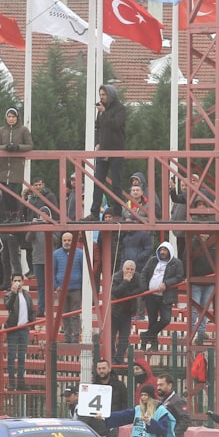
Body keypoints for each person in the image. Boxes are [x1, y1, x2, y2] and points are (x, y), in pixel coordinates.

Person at [105, 383, 173, 437]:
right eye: (141, 395)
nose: (143, 397)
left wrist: (150, 422)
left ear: (151, 397)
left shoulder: (161, 410)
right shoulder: (138, 409)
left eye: (146, 395)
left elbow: (163, 429)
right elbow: (123, 416)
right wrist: (105, 416)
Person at [140, 242, 185, 351]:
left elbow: (180, 277)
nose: (162, 252)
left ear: (169, 251)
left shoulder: (176, 263)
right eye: (161, 250)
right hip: (151, 296)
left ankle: (146, 335)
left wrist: (166, 283)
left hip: (166, 296)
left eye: (165, 250)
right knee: (152, 320)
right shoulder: (152, 260)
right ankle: (153, 345)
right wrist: (145, 289)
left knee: (166, 319)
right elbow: (143, 274)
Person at [91, 83, 126, 218]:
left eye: (104, 94)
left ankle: (117, 210)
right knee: (98, 182)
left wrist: (104, 112)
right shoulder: (102, 111)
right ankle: (94, 212)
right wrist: (97, 143)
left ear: (110, 95)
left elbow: (115, 125)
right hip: (103, 151)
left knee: (116, 182)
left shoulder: (120, 109)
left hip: (116, 150)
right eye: (100, 95)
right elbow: (98, 128)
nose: (102, 97)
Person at [0, 107, 33, 220]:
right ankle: (10, 214)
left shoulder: (23, 130)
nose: (11, 119)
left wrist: (17, 147)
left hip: (16, 166)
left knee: (11, 190)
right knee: (4, 192)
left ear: (17, 118)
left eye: (13, 117)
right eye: (9, 116)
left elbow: (29, 145)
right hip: (3, 166)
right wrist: (6, 147)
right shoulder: (1, 130)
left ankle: (16, 213)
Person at [3, 273, 35, 391]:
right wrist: (13, 293)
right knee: (11, 356)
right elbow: (8, 306)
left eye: (19, 280)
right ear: (12, 282)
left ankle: (21, 382)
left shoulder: (28, 296)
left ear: (23, 282)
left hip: (24, 329)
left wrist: (32, 322)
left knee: (22, 357)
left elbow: (32, 310)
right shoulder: (8, 295)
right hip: (13, 329)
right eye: (15, 280)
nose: (18, 283)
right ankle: (11, 382)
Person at [109, 259, 142, 364]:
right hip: (114, 312)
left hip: (127, 312)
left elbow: (142, 288)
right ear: (123, 269)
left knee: (124, 338)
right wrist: (126, 281)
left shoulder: (137, 277)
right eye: (127, 269)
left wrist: (128, 293)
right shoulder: (116, 276)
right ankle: (111, 357)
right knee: (111, 337)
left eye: (132, 269)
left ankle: (119, 358)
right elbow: (116, 292)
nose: (129, 271)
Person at [52, 232, 83, 344]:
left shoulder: (80, 254)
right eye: (65, 240)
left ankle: (75, 337)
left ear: (73, 240)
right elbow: (52, 271)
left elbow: (84, 271)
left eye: (69, 240)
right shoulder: (55, 254)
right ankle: (67, 337)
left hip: (76, 289)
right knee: (64, 314)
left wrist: (82, 287)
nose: (67, 242)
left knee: (75, 314)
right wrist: (56, 286)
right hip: (62, 289)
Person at [155, 373, 191, 437]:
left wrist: (174, 434)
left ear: (169, 385)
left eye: (161, 385)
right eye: (157, 385)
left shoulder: (177, 401)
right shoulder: (162, 401)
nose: (158, 388)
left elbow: (186, 419)